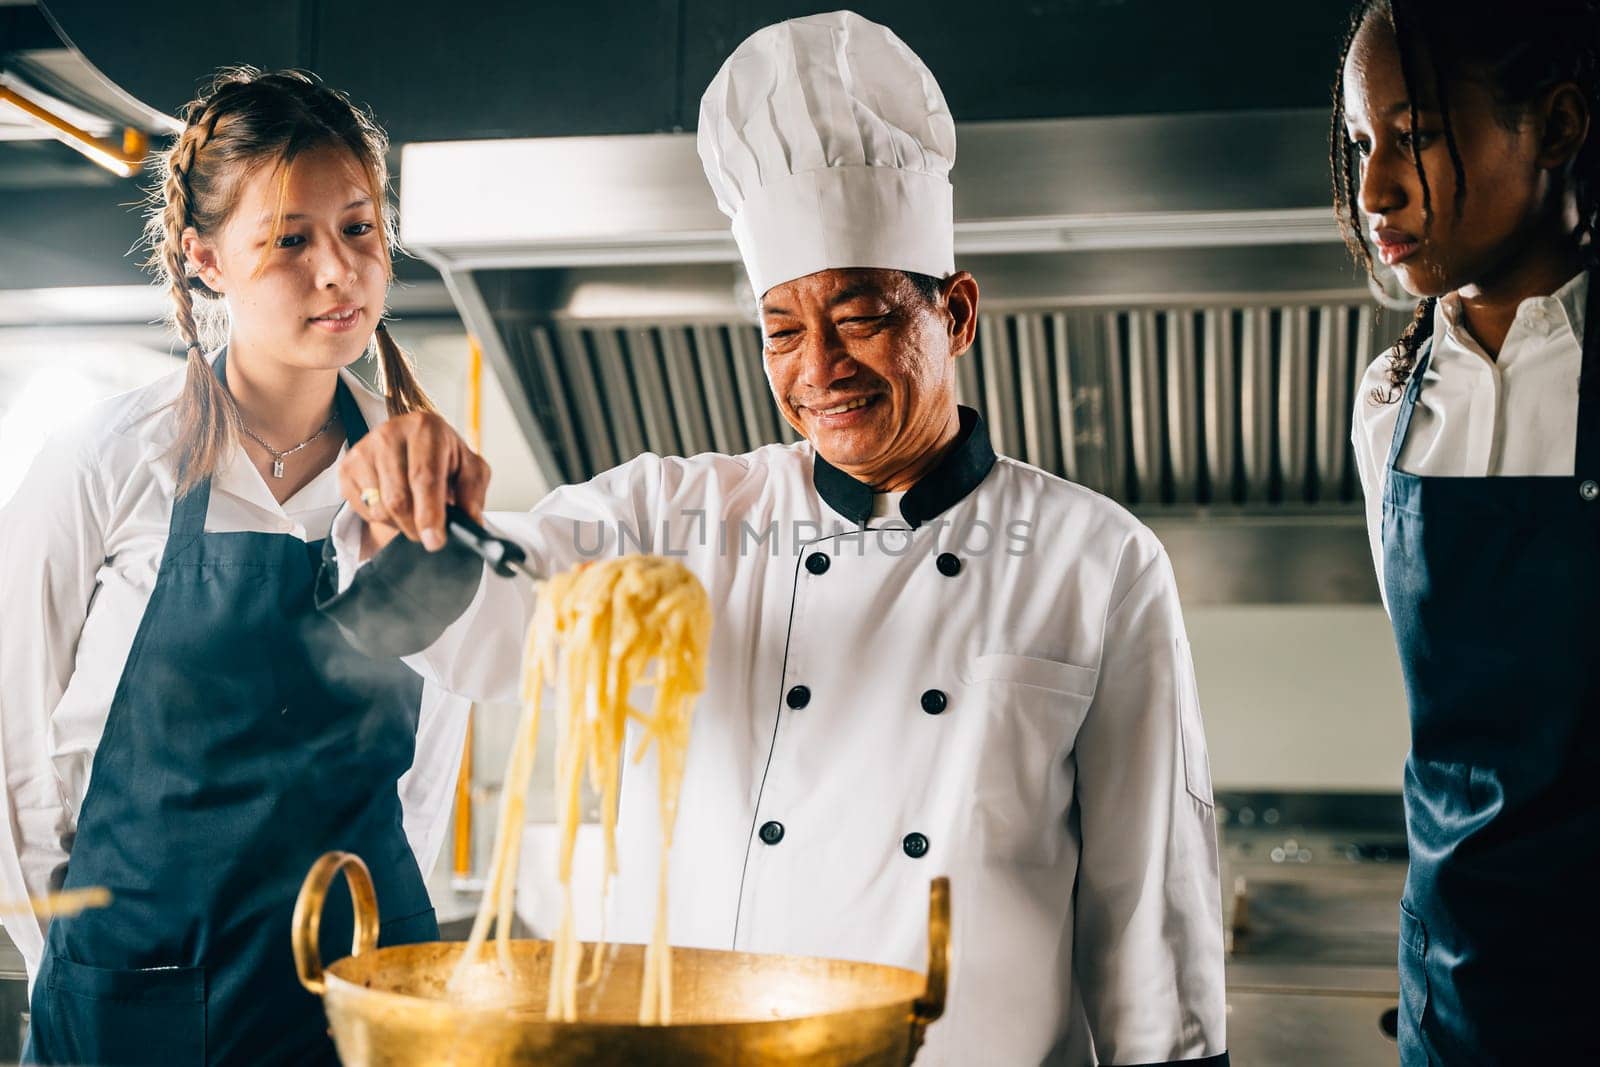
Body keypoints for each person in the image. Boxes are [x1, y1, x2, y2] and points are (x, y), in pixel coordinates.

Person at [325, 12, 1228, 1065]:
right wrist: (412, 511)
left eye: (861, 316)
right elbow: (496, 617)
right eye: (783, 330)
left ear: (958, 313)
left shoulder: (1095, 559)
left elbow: (1146, 889)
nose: (819, 368)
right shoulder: (677, 517)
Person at [0, 69, 470, 1065]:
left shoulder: (418, 474)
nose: (337, 272)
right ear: (205, 258)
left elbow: (433, 761)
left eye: (358, 228)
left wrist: (378, 957)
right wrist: (84, 958)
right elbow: (13, 745)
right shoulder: (108, 461)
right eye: (290, 240)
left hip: (365, 1005)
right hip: (135, 1006)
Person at [1338, 1, 1600, 1061]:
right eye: (1361, 144)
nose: (1373, 190)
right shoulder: (1386, 402)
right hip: (1456, 982)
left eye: (1417, 134)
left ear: (1557, 126)